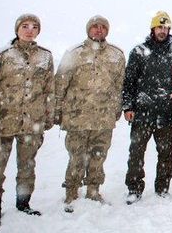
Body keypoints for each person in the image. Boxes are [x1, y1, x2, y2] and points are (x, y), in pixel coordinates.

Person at [0, 14, 54, 227]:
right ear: (17, 29)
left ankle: (23, 203)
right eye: (25, 26)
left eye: (34, 27)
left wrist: (48, 116)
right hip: (1, 122)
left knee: (27, 166)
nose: (29, 30)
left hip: (32, 122)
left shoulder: (45, 56)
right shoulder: (1, 55)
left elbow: (49, 90)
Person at [54, 15, 126, 211]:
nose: (99, 29)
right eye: (95, 26)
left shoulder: (116, 55)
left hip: (103, 117)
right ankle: (71, 193)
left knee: (98, 156)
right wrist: (57, 110)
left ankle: (93, 191)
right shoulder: (75, 53)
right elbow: (60, 84)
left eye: (103, 27)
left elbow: (119, 86)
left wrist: (117, 109)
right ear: (88, 30)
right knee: (76, 156)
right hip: (77, 117)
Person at [122, 11, 172, 204]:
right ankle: (134, 188)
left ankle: (163, 188)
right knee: (136, 153)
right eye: (159, 27)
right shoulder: (139, 51)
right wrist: (128, 106)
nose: (162, 31)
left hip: (166, 113)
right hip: (142, 112)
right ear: (153, 29)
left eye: (166, 27)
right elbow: (129, 81)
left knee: (166, 153)